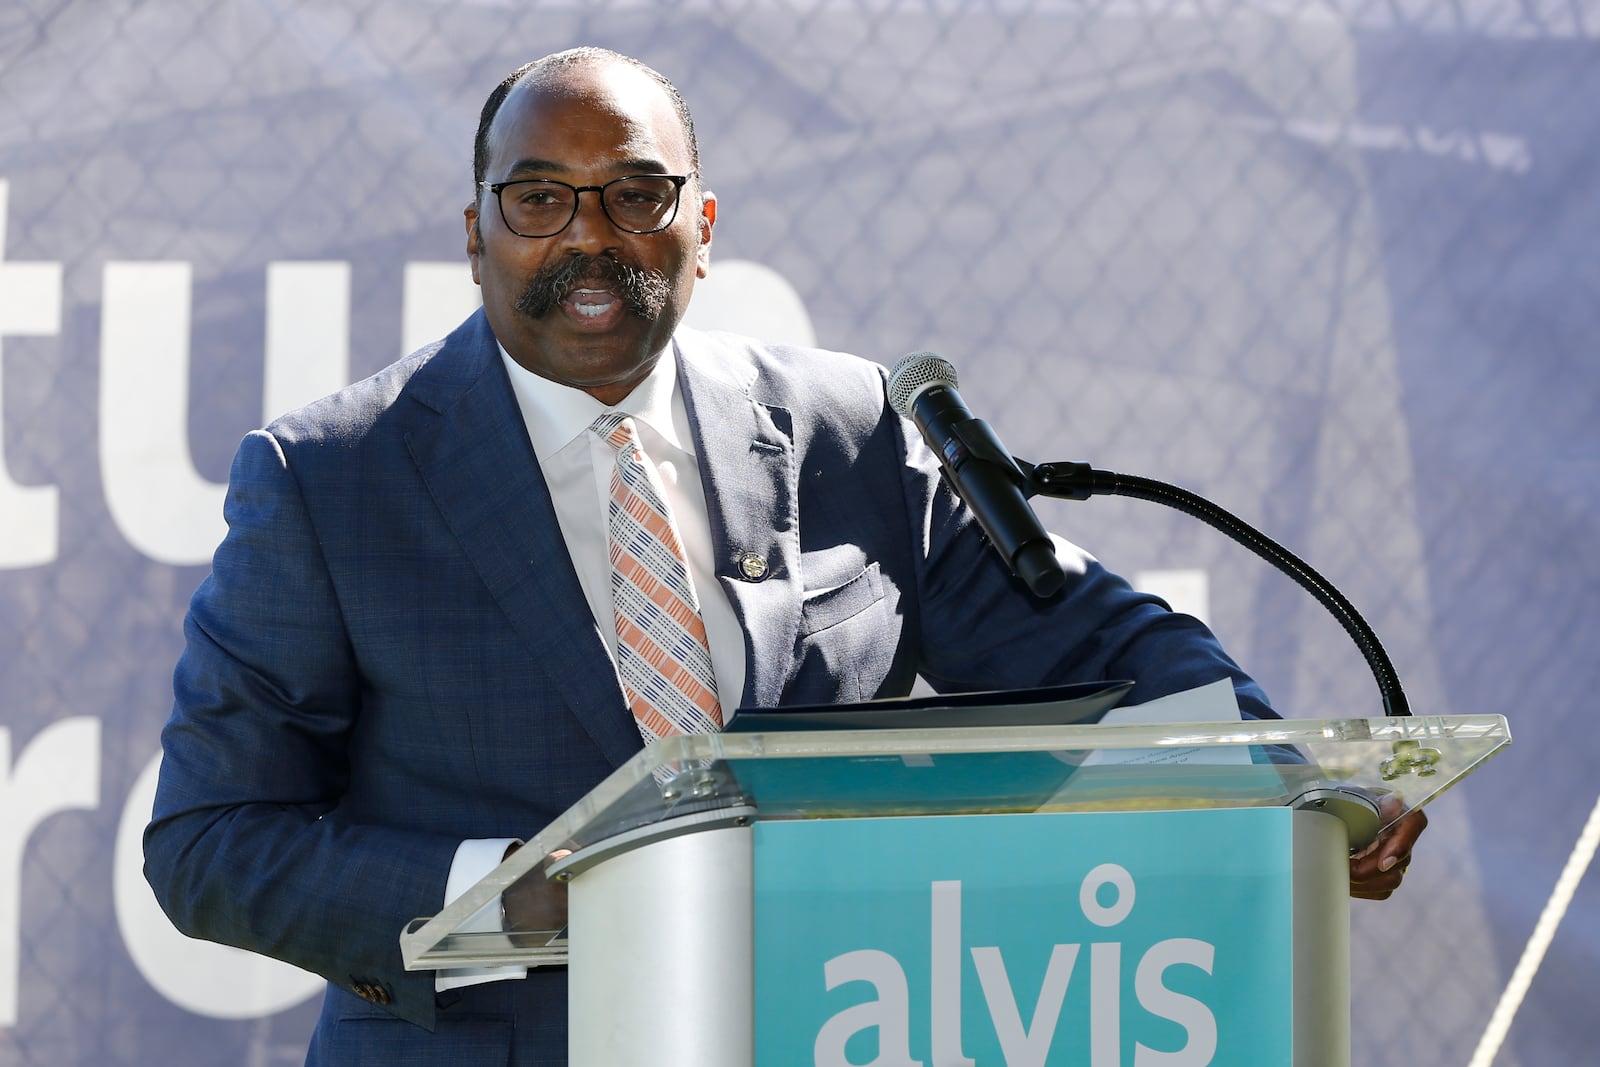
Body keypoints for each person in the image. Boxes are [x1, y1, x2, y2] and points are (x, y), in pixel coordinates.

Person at [143, 46, 1425, 1066]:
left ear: (700, 226)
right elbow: (209, 841)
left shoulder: (845, 429)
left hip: (833, 1026)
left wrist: (1280, 787)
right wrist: (520, 897)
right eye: (538, 197)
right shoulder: (332, 477)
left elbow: (1097, 636)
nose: (589, 234)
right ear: (474, 233)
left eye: (635, 193)